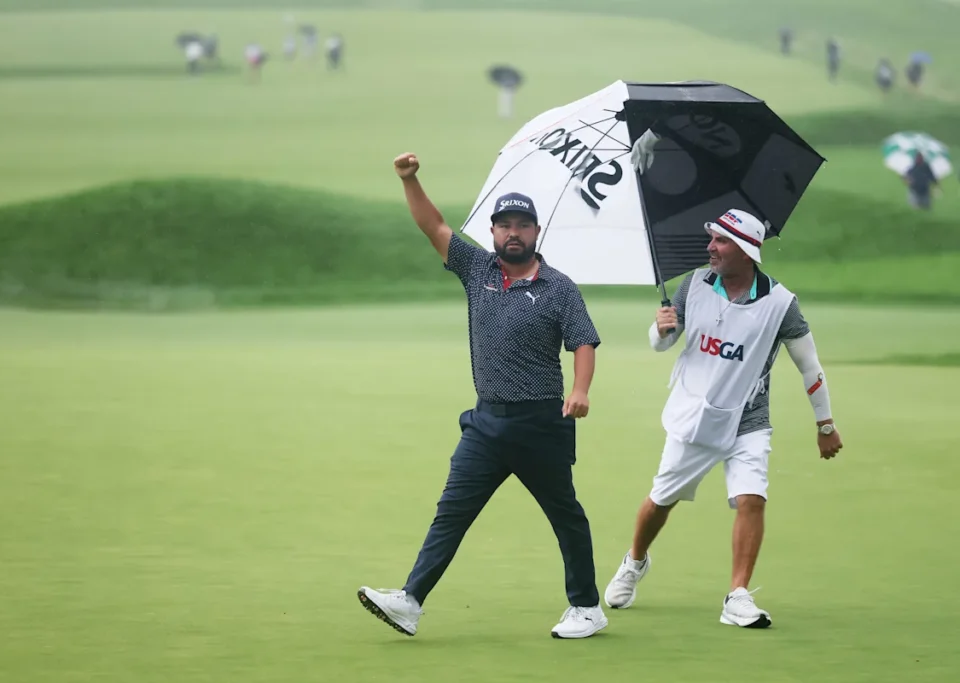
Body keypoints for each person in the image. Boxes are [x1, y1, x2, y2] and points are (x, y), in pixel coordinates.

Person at [357, 153, 608, 640]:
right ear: (493, 232)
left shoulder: (559, 287)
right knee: (452, 511)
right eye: (505, 225)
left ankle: (586, 606)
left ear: (536, 232)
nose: (513, 233)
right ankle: (410, 601)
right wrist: (410, 180)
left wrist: (580, 389)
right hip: (486, 424)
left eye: (522, 226)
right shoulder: (478, 269)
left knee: (565, 516)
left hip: (541, 424)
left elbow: (583, 341)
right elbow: (434, 226)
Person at [603, 208, 843, 629]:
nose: (710, 247)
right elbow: (662, 345)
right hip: (694, 416)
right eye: (712, 238)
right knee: (660, 501)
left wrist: (825, 424)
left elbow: (810, 366)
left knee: (752, 499)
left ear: (748, 251)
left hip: (748, 418)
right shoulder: (693, 284)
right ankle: (635, 561)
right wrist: (660, 329)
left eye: (721, 241)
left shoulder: (781, 303)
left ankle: (737, 595)